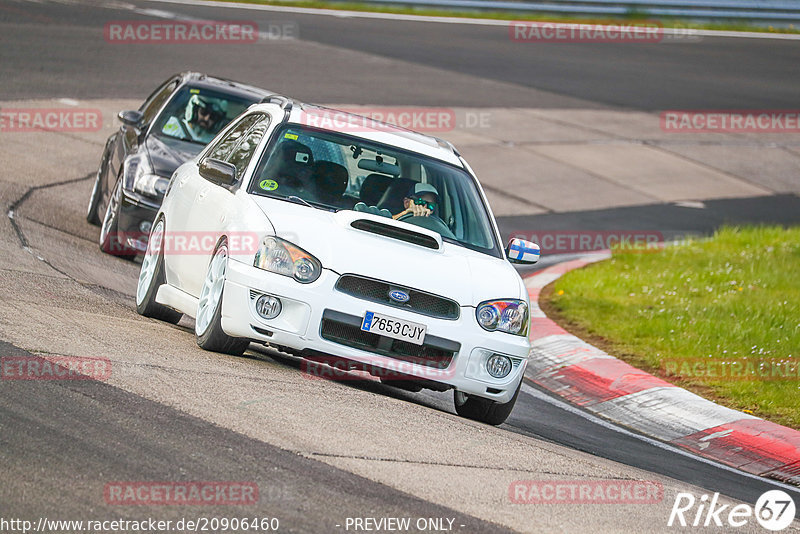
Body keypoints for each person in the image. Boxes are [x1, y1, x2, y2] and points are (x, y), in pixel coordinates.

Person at [161, 94, 227, 144]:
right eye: (204, 112)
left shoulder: (214, 142)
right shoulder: (173, 124)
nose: (206, 119)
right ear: (194, 111)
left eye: (213, 117)